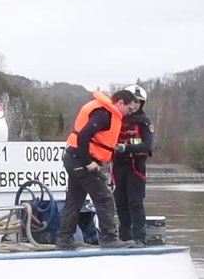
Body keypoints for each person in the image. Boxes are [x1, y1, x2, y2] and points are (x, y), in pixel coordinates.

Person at [55, 89, 138, 250]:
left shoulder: (106, 113)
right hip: (80, 160)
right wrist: (88, 162)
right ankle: (109, 239)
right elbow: (84, 136)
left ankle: (64, 239)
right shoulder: (104, 115)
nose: (129, 113)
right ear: (120, 103)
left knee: (74, 201)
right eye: (129, 109)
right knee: (104, 198)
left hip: (73, 158)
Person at [112, 84, 155, 246]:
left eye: (139, 102)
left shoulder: (144, 122)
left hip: (135, 166)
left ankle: (139, 237)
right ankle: (124, 236)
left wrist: (126, 148)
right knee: (120, 202)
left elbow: (147, 145)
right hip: (118, 165)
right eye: (133, 101)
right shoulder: (117, 118)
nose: (135, 105)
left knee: (135, 202)